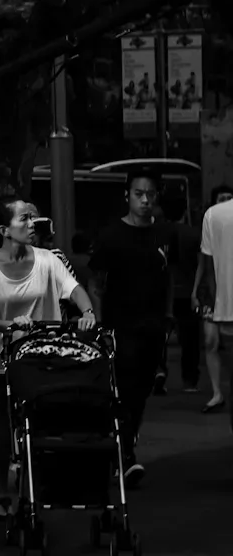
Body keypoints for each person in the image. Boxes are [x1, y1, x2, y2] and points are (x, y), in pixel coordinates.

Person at [0, 197, 97, 520]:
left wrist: (87, 311)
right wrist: (10, 325)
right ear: (4, 230)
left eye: (33, 218)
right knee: (0, 426)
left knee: (40, 421)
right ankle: (2, 493)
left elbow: (74, 289)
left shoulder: (48, 261)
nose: (31, 224)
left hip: (40, 355)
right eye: (23, 219)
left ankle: (36, 485)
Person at [87, 168, 174, 485]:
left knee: (142, 389)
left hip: (153, 324)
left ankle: (124, 445)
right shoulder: (112, 235)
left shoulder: (163, 234)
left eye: (150, 194)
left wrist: (168, 317)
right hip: (120, 324)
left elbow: (168, 276)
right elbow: (95, 280)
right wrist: (99, 323)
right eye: (139, 194)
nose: (145, 200)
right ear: (127, 196)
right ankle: (125, 456)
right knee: (123, 388)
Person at [156, 188, 203, 394]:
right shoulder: (194, 234)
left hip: (161, 292)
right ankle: (190, 380)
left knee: (158, 336)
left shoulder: (155, 232)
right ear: (184, 210)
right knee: (190, 340)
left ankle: (159, 371)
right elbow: (201, 264)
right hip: (187, 291)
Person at [193, 184, 233, 415]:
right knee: (211, 340)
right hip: (211, 289)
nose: (226, 201)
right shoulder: (212, 221)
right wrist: (196, 291)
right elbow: (204, 261)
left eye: (229, 197)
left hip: (223, 289)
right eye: (222, 198)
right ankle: (217, 392)